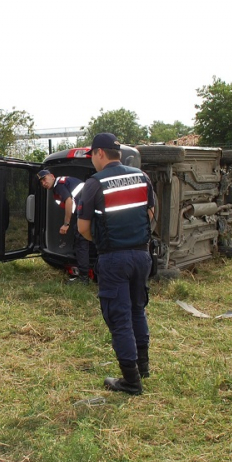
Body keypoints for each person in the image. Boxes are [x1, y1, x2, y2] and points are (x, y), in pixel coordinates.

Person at [77, 133, 155, 395]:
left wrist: (103, 241)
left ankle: (131, 381)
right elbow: (151, 214)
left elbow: (83, 227)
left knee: (119, 318)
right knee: (137, 310)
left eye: (92, 157)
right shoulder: (142, 177)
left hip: (113, 258)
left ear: (100, 153)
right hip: (142, 256)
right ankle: (142, 366)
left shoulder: (94, 184)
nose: (93, 163)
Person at [37, 169, 90, 284]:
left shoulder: (59, 185)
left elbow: (69, 201)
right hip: (90, 210)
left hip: (87, 211)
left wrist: (66, 224)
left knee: (81, 242)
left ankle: (83, 278)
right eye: (41, 183)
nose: (44, 184)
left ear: (52, 176)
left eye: (44, 180)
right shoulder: (64, 182)